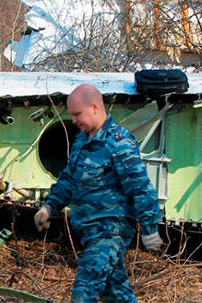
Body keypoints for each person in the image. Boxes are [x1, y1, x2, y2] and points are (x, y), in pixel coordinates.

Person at [34, 84, 162, 303]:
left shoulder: (118, 141)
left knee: (85, 289)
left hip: (110, 230)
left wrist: (150, 228)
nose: (73, 120)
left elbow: (139, 186)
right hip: (89, 231)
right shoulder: (81, 141)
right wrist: (49, 206)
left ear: (94, 108)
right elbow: (69, 178)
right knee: (115, 293)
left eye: (76, 114)